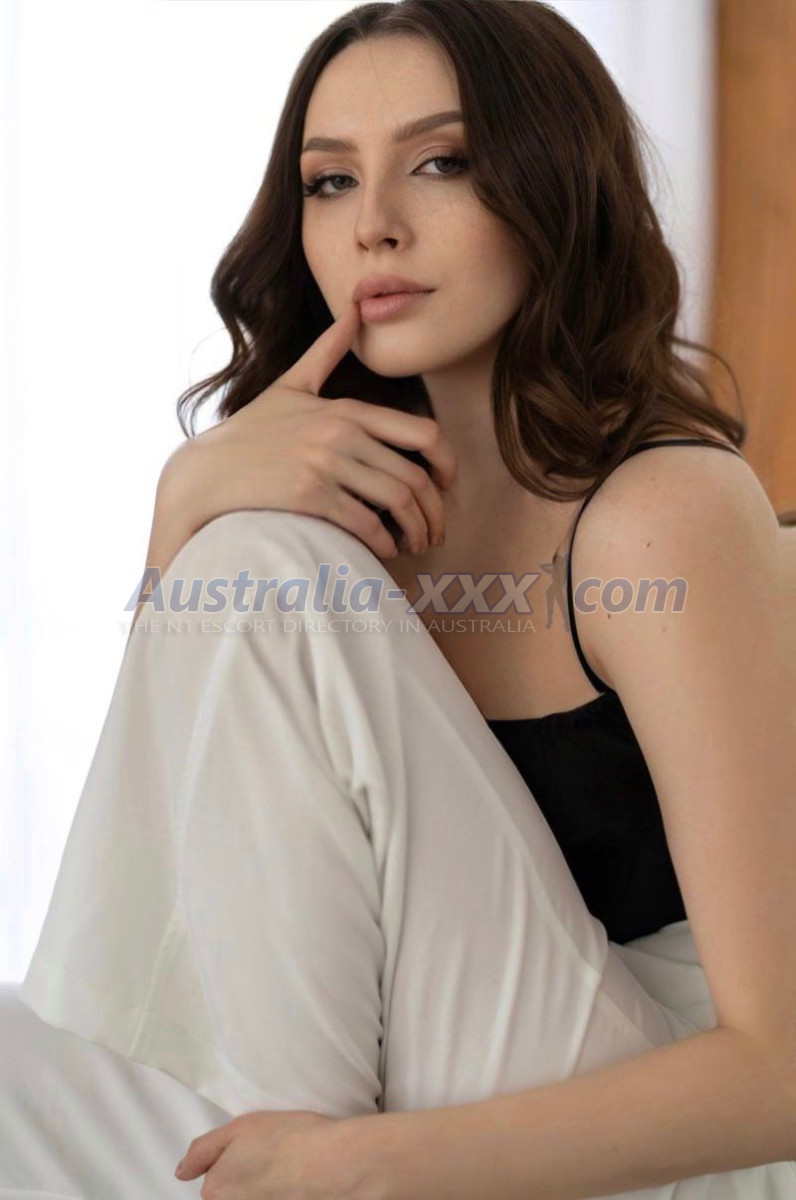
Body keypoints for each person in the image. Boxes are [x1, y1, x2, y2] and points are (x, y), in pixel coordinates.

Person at [6, 2, 796, 1197]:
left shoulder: (659, 509)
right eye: (329, 182)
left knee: (258, 560)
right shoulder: (333, 508)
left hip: (654, 1129)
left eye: (440, 163)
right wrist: (184, 507)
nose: (372, 223)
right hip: (393, 1073)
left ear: (553, 185)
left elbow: (778, 1067)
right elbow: (177, 868)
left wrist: (369, 1167)